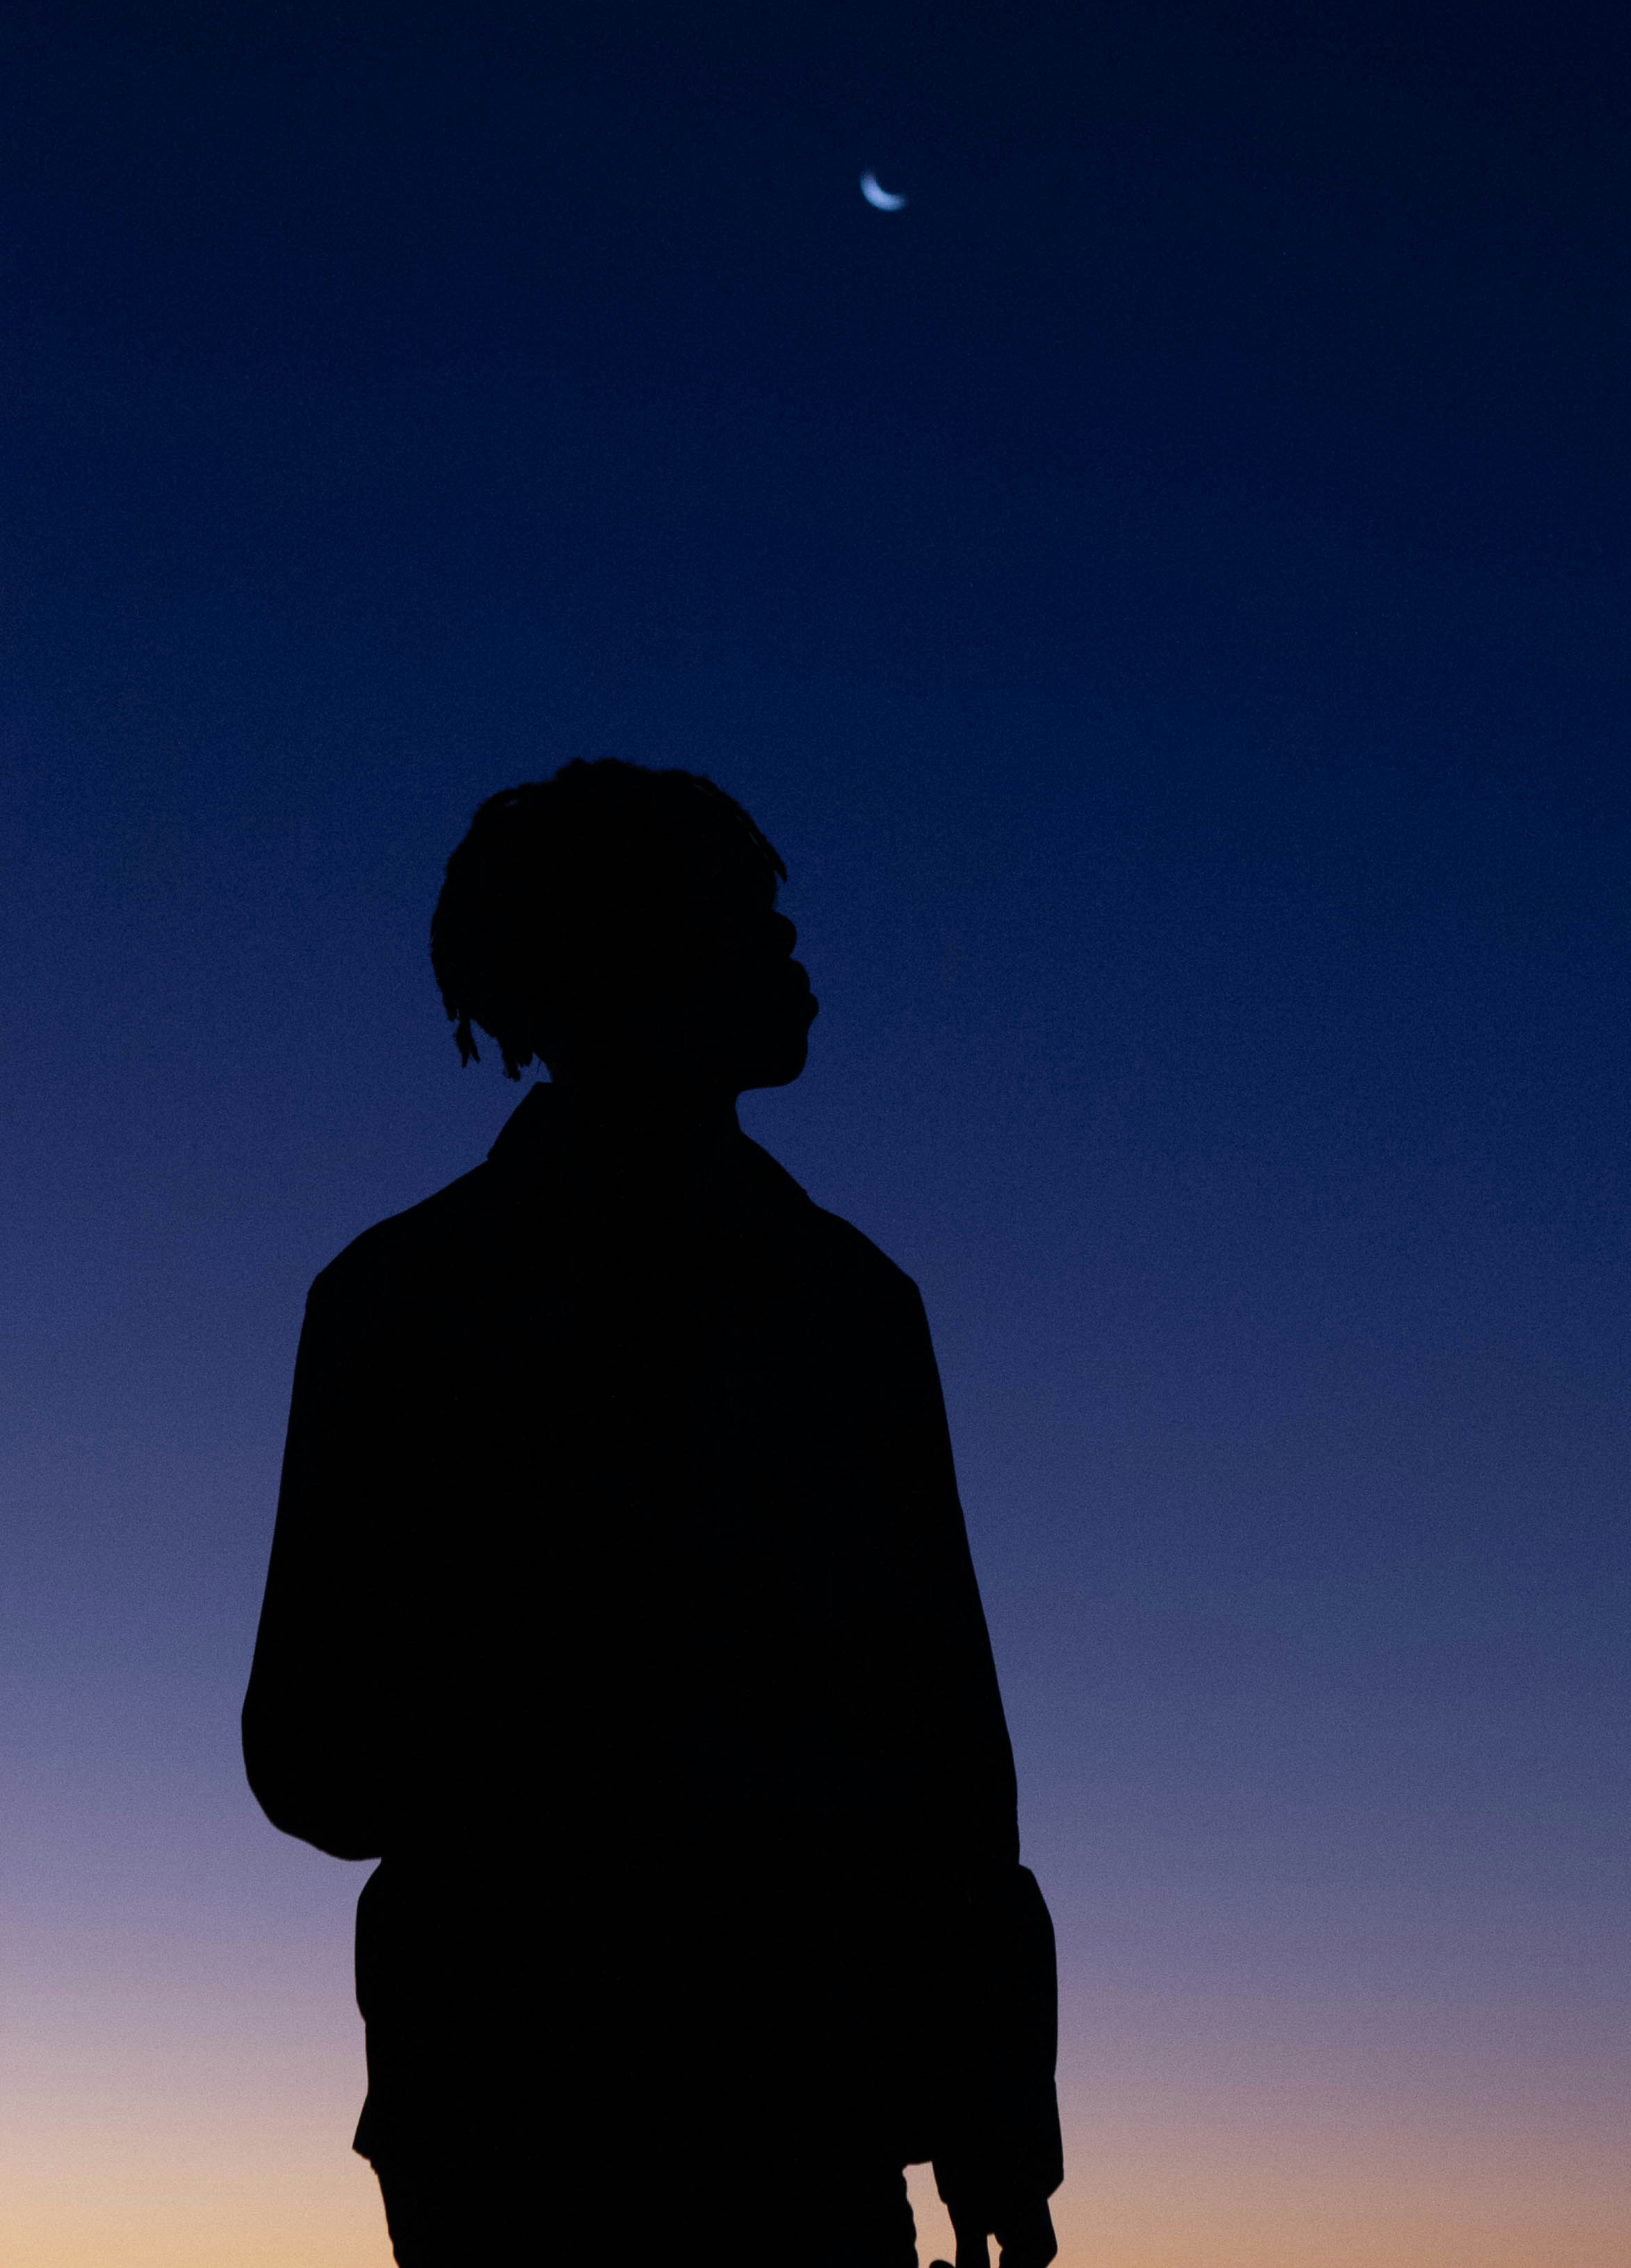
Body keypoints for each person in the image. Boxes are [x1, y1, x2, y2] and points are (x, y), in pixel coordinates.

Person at [242, 757, 1062, 2267]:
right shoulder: (412, 1304)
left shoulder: (845, 1305)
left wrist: (999, 2106)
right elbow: (309, 1752)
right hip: (536, 2105)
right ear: (634, 952)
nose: (791, 953)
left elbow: (953, 1756)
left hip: (769, 2097)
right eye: (749, 918)